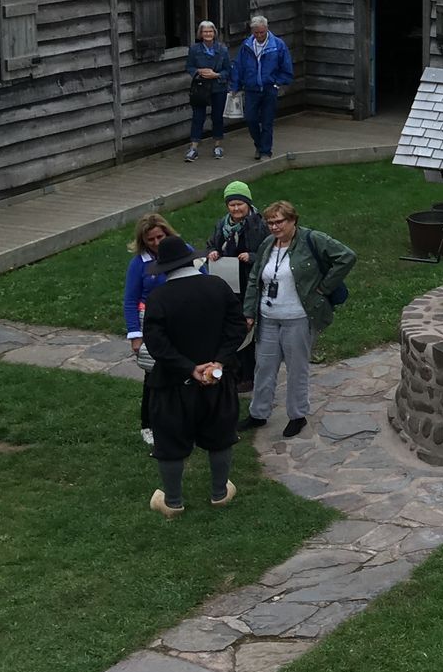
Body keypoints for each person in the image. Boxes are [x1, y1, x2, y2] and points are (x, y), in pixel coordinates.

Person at [141, 234, 244, 516]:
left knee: (171, 441)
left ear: (165, 268)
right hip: (217, 379)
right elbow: (236, 326)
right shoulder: (218, 286)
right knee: (220, 434)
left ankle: (173, 501)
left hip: (173, 383)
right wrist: (216, 363)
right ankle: (220, 493)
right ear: (190, 260)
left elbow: (156, 342)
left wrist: (188, 367)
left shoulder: (159, 297)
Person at [242, 200, 355, 439]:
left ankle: (297, 415)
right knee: (263, 367)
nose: (274, 227)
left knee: (296, 369)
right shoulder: (267, 244)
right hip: (268, 318)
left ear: (293, 220)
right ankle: (258, 413)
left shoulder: (312, 239)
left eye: (279, 222)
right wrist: (249, 312)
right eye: (270, 222)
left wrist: (324, 288)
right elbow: (255, 278)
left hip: (298, 318)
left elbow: (346, 256)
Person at [205, 181, 265, 389]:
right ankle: (233, 371)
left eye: (240, 204)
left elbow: (268, 252)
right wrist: (212, 251)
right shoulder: (222, 224)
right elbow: (212, 243)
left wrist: (252, 256)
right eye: (232, 205)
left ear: (248, 203)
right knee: (228, 328)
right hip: (227, 283)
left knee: (245, 328)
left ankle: (248, 375)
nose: (236, 208)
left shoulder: (259, 224)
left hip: (248, 283)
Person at [124, 212, 177, 445]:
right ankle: (148, 424)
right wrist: (135, 335)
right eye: (151, 240)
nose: (156, 243)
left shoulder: (180, 251)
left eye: (159, 237)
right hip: (151, 322)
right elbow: (130, 300)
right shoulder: (138, 264)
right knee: (153, 375)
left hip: (178, 319)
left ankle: (178, 420)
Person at [232, 14, 293, 162]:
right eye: (256, 33)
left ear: (267, 29)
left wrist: (277, 82)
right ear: (252, 32)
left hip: (269, 88)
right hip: (251, 89)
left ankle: (265, 151)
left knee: (267, 121)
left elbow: (286, 67)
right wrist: (235, 86)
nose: (259, 35)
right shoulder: (246, 46)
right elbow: (238, 66)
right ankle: (258, 145)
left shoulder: (278, 45)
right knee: (251, 119)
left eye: (262, 32)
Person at [185, 19, 233, 163]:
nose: (208, 34)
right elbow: (189, 67)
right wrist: (199, 71)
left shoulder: (222, 49)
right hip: (200, 87)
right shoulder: (194, 49)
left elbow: (228, 70)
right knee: (198, 117)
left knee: (217, 117)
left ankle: (217, 145)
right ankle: (193, 148)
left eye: (210, 31)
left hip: (218, 87)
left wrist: (216, 75)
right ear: (201, 34)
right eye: (205, 31)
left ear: (214, 33)